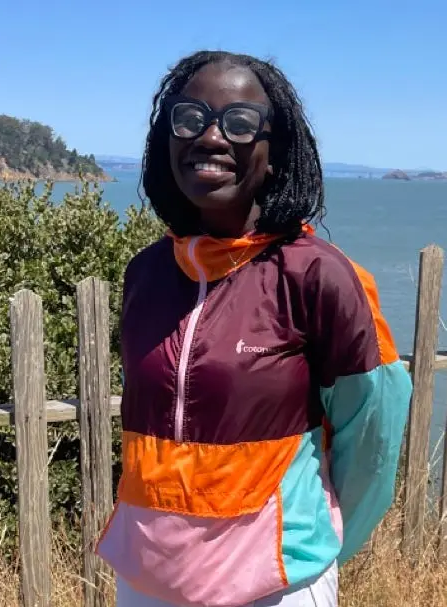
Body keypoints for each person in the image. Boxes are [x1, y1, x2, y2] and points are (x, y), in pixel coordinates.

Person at [95, 50, 412, 607]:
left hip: (274, 584)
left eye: (241, 123)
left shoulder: (318, 275)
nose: (212, 137)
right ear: (165, 140)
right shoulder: (146, 273)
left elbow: (372, 439)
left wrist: (322, 546)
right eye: (190, 117)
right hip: (146, 580)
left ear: (274, 154)